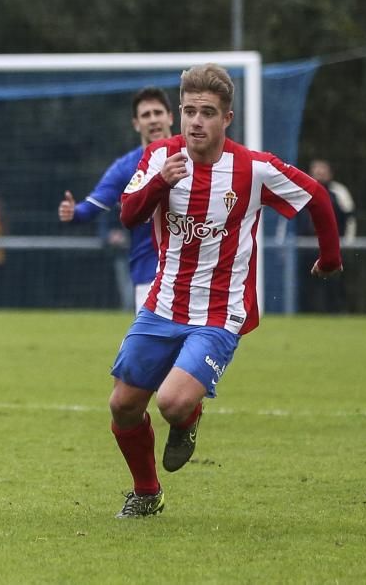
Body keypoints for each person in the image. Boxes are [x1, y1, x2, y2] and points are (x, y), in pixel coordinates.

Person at [108, 64, 342, 518]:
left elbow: (317, 196)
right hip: (162, 305)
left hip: (220, 313)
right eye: (190, 111)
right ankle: (147, 493)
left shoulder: (254, 169)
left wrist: (330, 258)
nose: (197, 121)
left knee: (173, 403)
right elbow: (128, 215)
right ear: (180, 112)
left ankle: (188, 418)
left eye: (208, 112)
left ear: (227, 118)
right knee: (122, 405)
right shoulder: (159, 157)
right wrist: (160, 183)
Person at [59, 87, 174, 312]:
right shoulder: (125, 168)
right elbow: (94, 205)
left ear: (170, 117)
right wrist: (75, 212)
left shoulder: (194, 157)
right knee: (148, 347)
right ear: (136, 124)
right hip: (149, 275)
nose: (153, 120)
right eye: (145, 115)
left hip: (196, 274)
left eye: (157, 112)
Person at [297, 159, 355, 313]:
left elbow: (350, 218)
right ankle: (306, 314)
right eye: (316, 169)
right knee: (306, 285)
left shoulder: (339, 192)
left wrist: (347, 243)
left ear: (330, 172)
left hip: (332, 246)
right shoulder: (298, 190)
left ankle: (336, 313)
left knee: (333, 286)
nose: (319, 173)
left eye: (322, 169)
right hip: (304, 247)